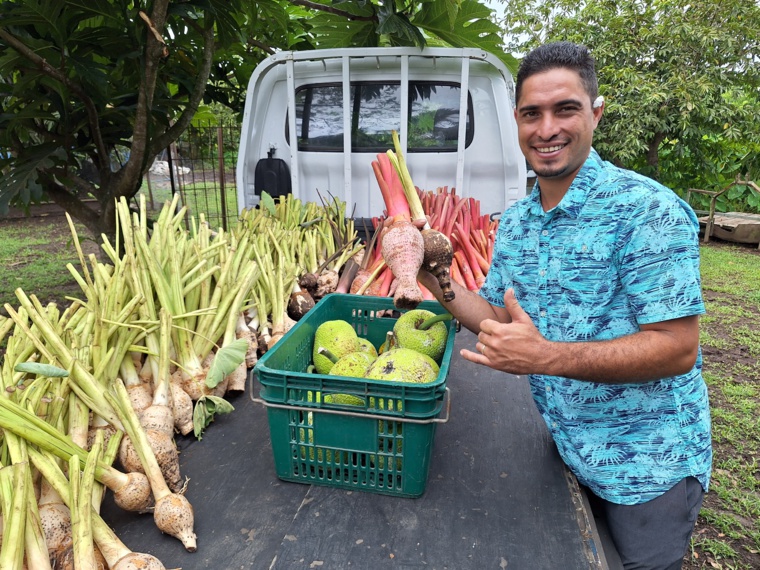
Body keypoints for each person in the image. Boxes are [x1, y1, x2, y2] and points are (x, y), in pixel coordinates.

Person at [417, 41, 711, 570]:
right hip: (566, 445)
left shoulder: (649, 212)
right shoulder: (518, 223)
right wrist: (432, 275)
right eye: (532, 113)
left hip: (646, 463)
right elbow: (500, 319)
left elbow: (676, 349)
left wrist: (544, 357)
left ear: (596, 113)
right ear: (516, 122)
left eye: (565, 109)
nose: (547, 128)